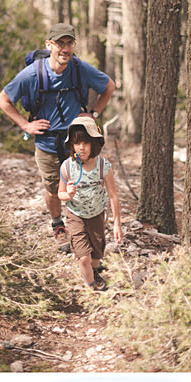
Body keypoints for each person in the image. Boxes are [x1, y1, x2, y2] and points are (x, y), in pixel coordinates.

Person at [0, 23, 114, 245]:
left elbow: (109, 86)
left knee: (81, 183)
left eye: (69, 43)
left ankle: (80, 225)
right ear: (49, 45)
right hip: (47, 141)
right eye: (60, 44)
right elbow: (3, 100)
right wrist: (25, 125)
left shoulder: (79, 69)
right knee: (53, 189)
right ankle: (58, 224)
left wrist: (94, 114)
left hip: (77, 141)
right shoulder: (32, 74)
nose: (65, 49)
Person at [58, 114, 123, 290]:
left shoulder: (103, 166)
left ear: (94, 144)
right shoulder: (67, 167)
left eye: (86, 143)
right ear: (71, 144)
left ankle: (93, 272)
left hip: (96, 215)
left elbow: (113, 195)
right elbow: (60, 194)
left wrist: (117, 223)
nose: (81, 148)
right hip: (75, 215)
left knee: (95, 258)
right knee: (84, 258)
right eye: (77, 143)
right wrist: (69, 194)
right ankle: (92, 288)